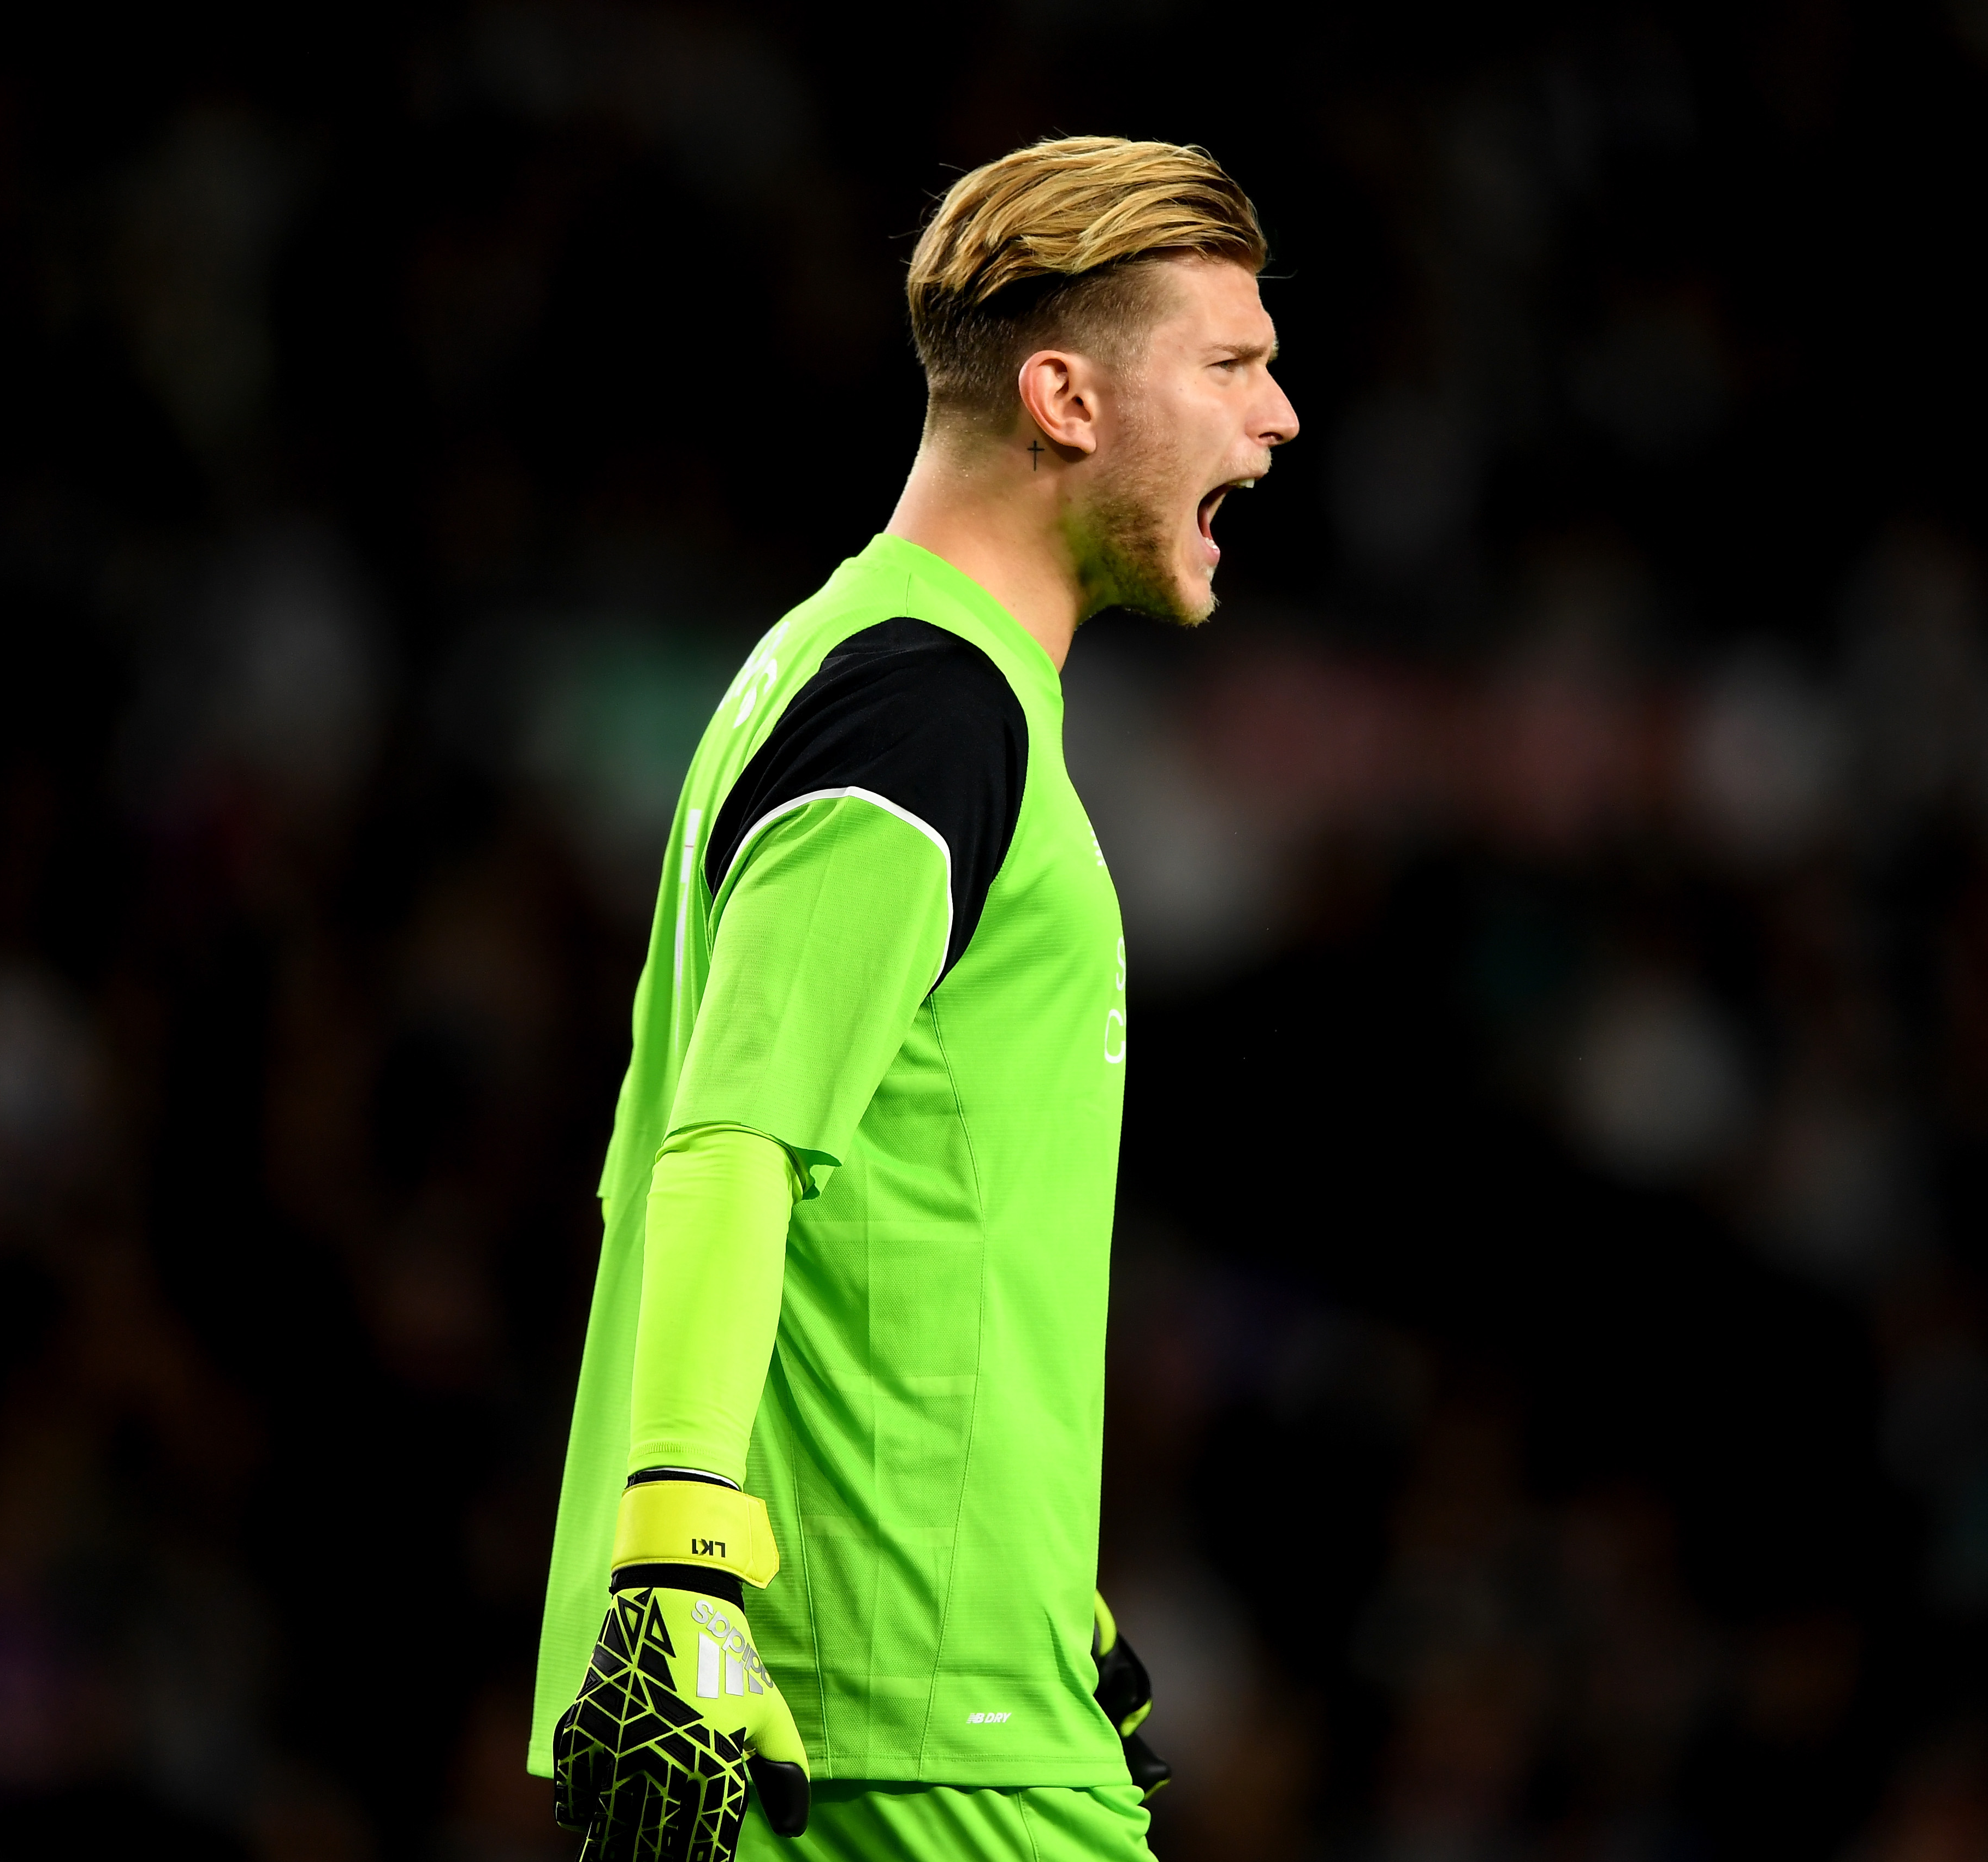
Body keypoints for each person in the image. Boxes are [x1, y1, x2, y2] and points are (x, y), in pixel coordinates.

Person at [526, 135, 1299, 1862]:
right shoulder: (923, 706)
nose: (1280, 419)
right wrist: (677, 1559)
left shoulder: (846, 667)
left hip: (901, 1679)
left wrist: (1033, 1573)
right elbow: (735, 1140)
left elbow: (895, 1182)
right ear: (1067, 399)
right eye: (1234, 366)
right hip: (902, 1729)